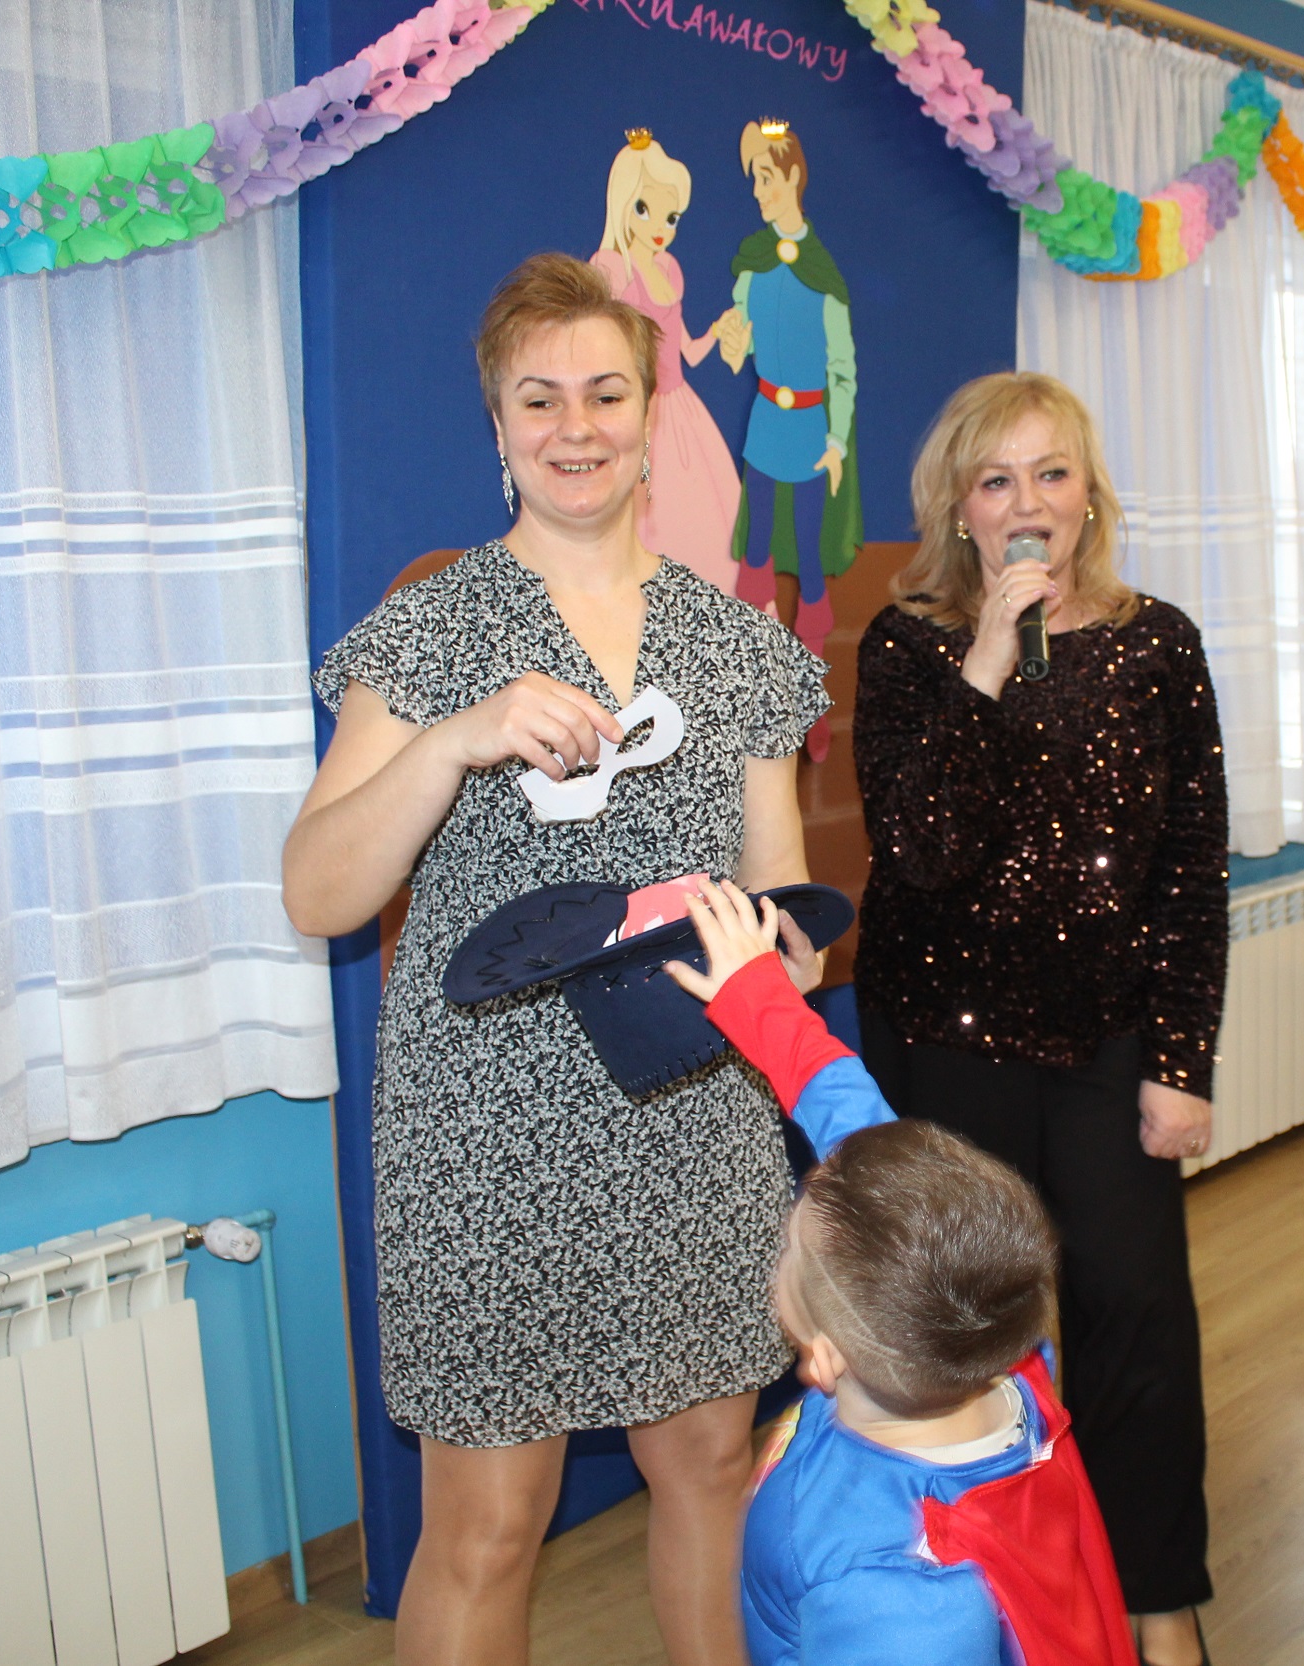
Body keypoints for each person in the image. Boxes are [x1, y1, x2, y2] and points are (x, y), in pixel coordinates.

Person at [282, 251, 828, 1666]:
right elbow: (318, 890)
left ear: (651, 418)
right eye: (539, 399)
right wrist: (452, 742)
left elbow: (783, 903)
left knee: (711, 1462)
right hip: (486, 1135)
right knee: (486, 1522)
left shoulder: (738, 646)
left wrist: (775, 953)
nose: (574, 425)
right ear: (499, 425)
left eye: (604, 393)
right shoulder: (433, 630)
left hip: (692, 1115)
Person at [850, 372, 1226, 1666]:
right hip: (945, 1041)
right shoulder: (907, 648)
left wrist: (1180, 1060)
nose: (1028, 502)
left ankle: (1158, 1601)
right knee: (966, 1331)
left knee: (1136, 1316)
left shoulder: (1158, 642)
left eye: (1051, 473)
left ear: (1089, 495)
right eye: (997, 479)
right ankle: (988, 1600)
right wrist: (989, 661)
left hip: (1108, 1043)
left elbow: (1190, 867)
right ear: (959, 508)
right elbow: (921, 850)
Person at [659, 876, 1139, 1666]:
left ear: (823, 1357)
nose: (785, 1244)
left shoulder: (896, 1592)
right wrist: (758, 997)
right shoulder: (993, 1345)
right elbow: (857, 1128)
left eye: (791, 1248)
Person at [714, 115, 861, 745]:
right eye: (754, 181)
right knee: (755, 563)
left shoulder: (823, 275)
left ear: (794, 176)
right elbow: (738, 351)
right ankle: (750, 706)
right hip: (765, 429)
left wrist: (836, 442)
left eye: (767, 179)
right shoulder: (752, 265)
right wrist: (732, 340)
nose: (759, 192)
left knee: (810, 570)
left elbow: (842, 370)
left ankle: (811, 711)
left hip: (808, 438)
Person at [592, 129, 742, 593]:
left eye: (671, 216)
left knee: (707, 521)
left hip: (681, 412)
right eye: (645, 209)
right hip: (638, 416)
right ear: (624, 204)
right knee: (646, 526)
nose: (660, 226)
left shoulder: (668, 268)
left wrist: (718, 331)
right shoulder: (611, 268)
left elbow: (685, 349)